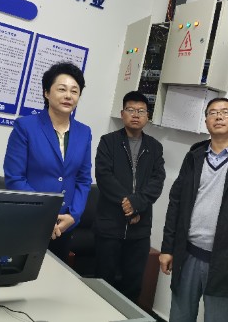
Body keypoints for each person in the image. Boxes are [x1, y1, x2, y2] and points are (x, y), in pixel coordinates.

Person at [159, 97, 228, 322]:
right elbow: (176, 203)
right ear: (206, 121)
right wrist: (167, 248)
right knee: (179, 317)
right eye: (212, 112)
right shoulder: (194, 157)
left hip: (227, 263)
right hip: (188, 256)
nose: (219, 116)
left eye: (225, 112)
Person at [4, 62, 92, 263]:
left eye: (74, 91)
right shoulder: (25, 126)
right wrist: (44, 215)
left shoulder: (84, 132)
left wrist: (74, 216)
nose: (68, 96)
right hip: (29, 221)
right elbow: (15, 178)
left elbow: (83, 179)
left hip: (64, 225)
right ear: (46, 93)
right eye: (62, 89)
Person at [93, 90, 165, 302]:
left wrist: (136, 204)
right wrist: (128, 205)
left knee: (133, 284)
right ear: (122, 113)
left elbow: (157, 180)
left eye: (141, 111)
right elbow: (104, 176)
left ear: (147, 116)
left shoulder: (155, 147)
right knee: (103, 282)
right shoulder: (108, 141)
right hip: (110, 226)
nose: (136, 115)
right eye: (131, 110)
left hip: (139, 230)